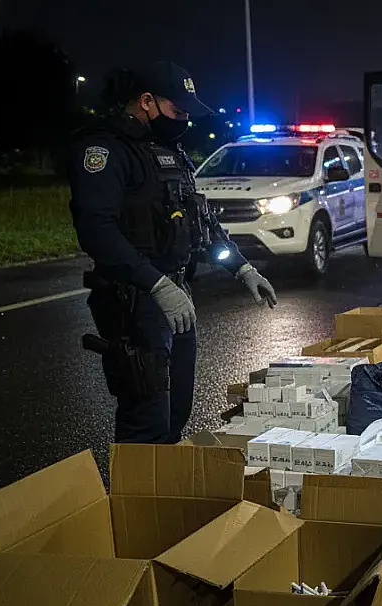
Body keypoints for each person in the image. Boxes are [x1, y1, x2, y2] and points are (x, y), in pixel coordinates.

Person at [70, 61, 277, 444]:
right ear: (146, 101)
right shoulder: (106, 149)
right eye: (177, 110)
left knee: (176, 412)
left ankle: (165, 480)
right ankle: (137, 485)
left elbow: (200, 221)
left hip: (176, 295)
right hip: (135, 299)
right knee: (146, 419)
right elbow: (96, 230)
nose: (184, 119)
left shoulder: (169, 153)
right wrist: (156, 284)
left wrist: (242, 267)